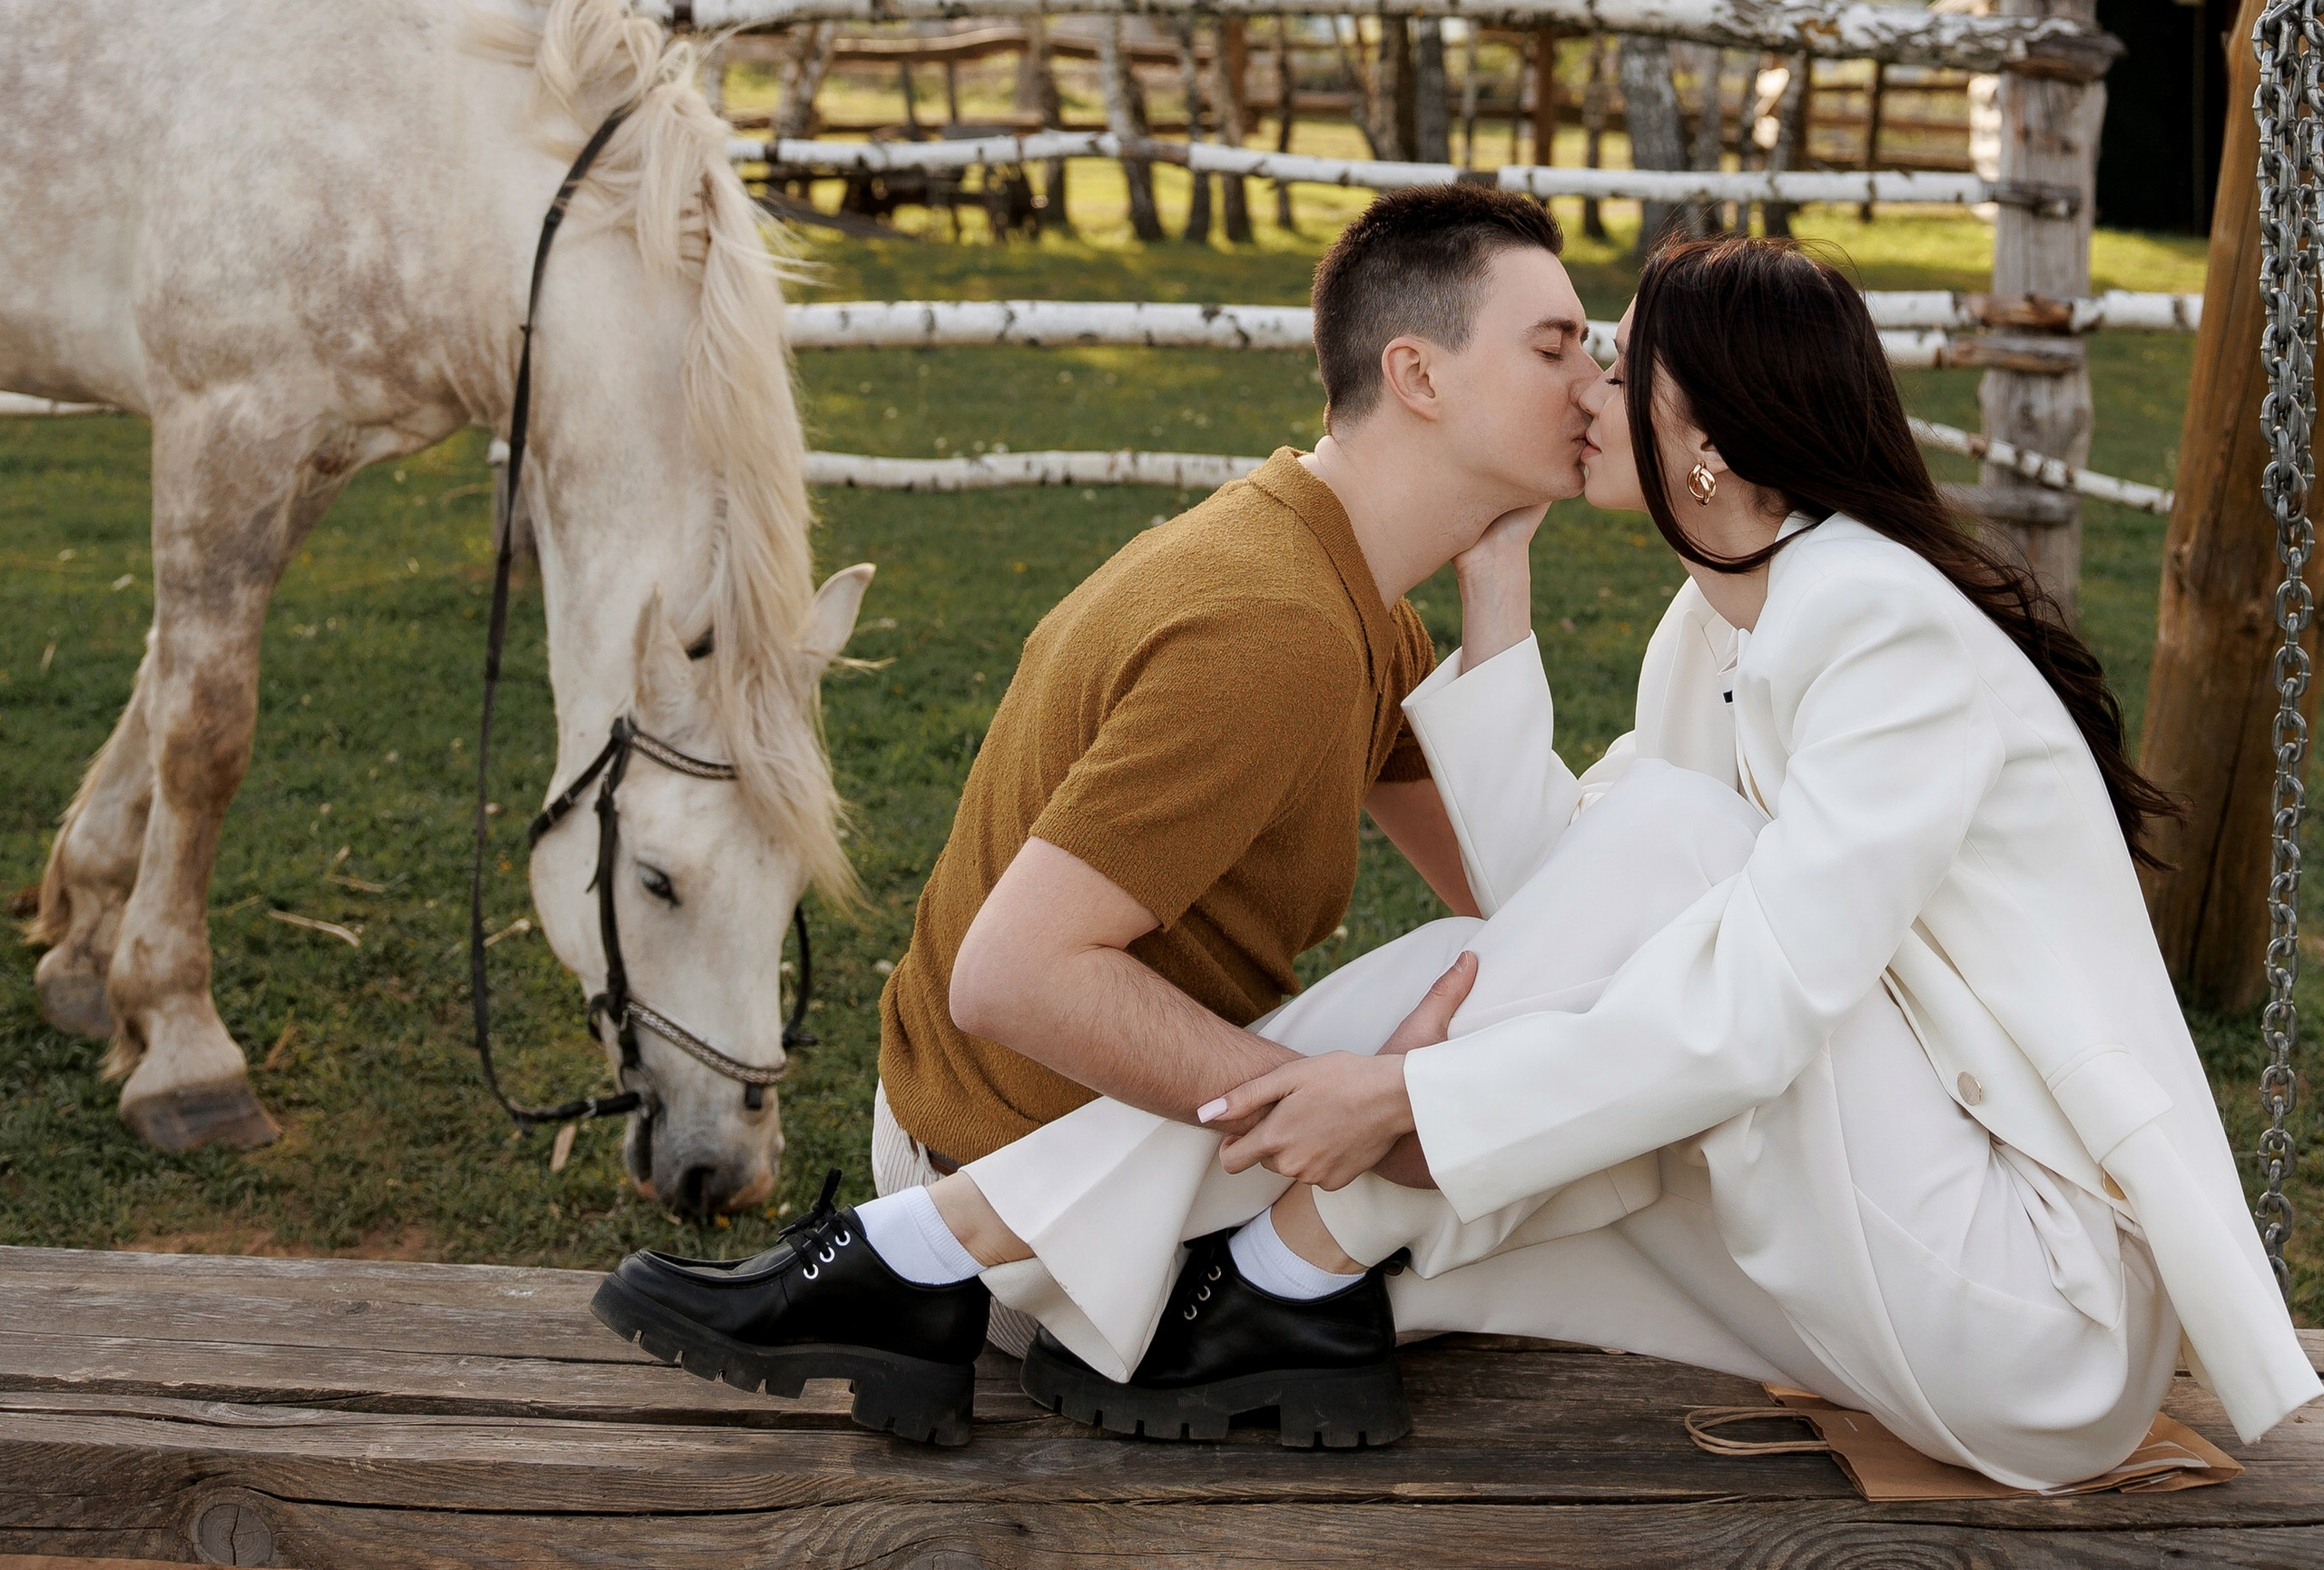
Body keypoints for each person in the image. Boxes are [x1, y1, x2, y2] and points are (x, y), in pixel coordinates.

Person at [714, 235, 2314, 1492]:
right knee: (1621, 890)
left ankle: (982, 1244)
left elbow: (1751, 1011)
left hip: (2031, 1320)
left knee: (1672, 859)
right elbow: (1558, 903)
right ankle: (1227, 1271)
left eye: (1615, 363)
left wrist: (1406, 1108)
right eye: (1571, 353)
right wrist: (1497, 591)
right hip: (1862, 1209)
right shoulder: (1724, 622)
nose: (1586, 394)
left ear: (1706, 441)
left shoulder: (1884, 629)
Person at [593, 182, 1599, 1447]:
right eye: (1556, 347)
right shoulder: (1271, 624)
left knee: (1520, 1001)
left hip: (1041, 1147)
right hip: (1023, 1194)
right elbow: (1012, 980)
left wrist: (1499, 575)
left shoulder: (1344, 590)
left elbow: (1521, 894)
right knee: (1521, 1053)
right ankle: (943, 1268)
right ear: (1418, 374)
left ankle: (1016, 1262)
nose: (1594, 385)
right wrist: (1345, 1111)